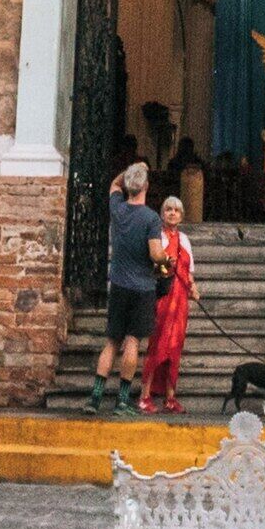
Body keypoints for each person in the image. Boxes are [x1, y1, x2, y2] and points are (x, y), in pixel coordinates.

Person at [92, 163, 164, 413]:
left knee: (111, 342)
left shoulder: (118, 208)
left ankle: (95, 398)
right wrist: (166, 259)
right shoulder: (151, 218)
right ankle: (122, 401)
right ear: (146, 186)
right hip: (142, 287)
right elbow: (156, 254)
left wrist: (132, 170)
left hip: (119, 284)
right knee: (132, 342)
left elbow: (114, 184)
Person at [140, 197, 196, 412]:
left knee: (175, 348)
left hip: (181, 300)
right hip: (162, 298)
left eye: (176, 210)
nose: (172, 213)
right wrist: (165, 265)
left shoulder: (185, 239)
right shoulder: (158, 237)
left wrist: (193, 287)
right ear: (162, 214)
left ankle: (170, 397)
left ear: (181, 216)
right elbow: (152, 268)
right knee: (158, 345)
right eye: (168, 210)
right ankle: (145, 395)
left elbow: (190, 272)